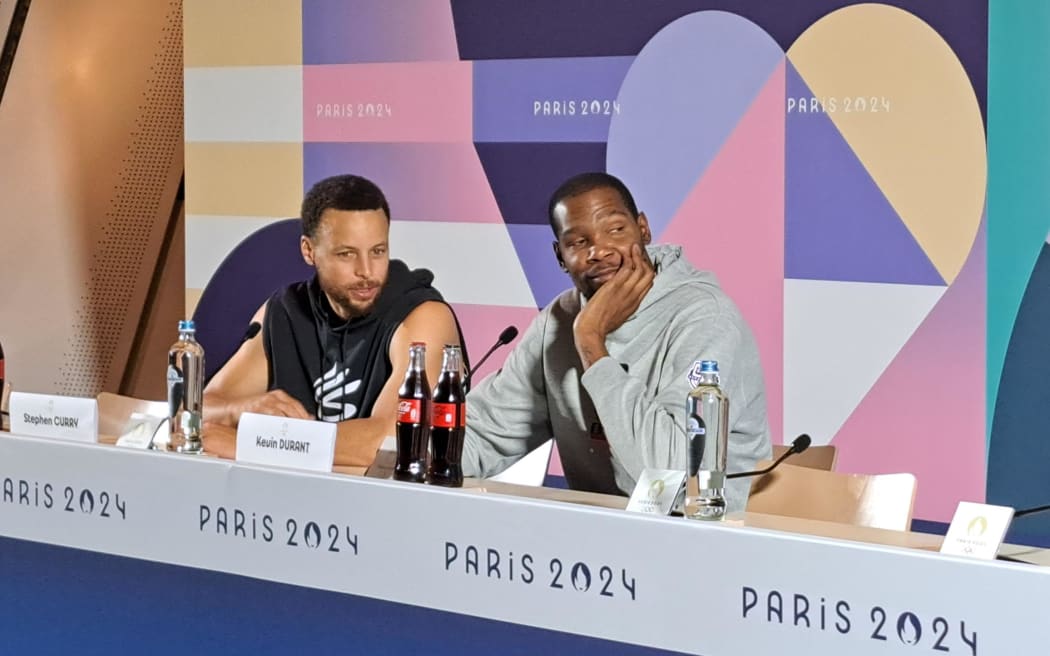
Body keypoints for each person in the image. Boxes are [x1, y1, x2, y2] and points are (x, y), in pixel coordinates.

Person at [461, 172, 770, 511]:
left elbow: (674, 475)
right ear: (560, 256)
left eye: (616, 230)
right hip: (599, 540)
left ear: (644, 229)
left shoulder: (706, 318)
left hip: (706, 534)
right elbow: (486, 432)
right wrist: (414, 455)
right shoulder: (558, 321)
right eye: (578, 242)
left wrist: (592, 343)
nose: (599, 250)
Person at [202, 174, 463, 466]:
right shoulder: (285, 311)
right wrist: (243, 408)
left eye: (378, 251)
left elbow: (395, 442)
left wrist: (252, 443)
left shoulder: (422, 316)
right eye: (346, 254)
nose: (366, 271)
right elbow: (203, 411)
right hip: (290, 499)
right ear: (309, 251)